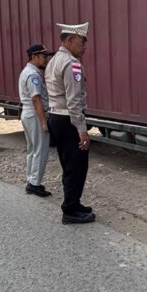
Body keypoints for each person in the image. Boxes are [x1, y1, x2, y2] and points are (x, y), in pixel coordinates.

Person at [45, 22, 94, 224]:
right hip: (68, 120)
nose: (84, 47)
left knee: (69, 165)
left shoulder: (54, 60)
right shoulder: (71, 63)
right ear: (70, 40)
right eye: (82, 42)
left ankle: (73, 203)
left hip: (57, 117)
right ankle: (71, 210)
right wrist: (82, 130)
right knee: (77, 165)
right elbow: (74, 101)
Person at [20, 43, 56, 198]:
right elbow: (36, 99)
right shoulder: (32, 75)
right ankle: (35, 184)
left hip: (29, 114)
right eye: (43, 56)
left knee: (32, 150)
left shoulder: (28, 72)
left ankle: (31, 181)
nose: (46, 59)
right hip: (35, 114)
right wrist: (43, 121)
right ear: (34, 57)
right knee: (40, 150)